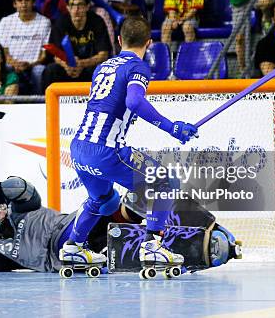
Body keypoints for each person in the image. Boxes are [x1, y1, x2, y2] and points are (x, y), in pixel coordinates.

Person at [59, 16, 198, 269]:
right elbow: (133, 102)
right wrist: (172, 127)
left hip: (79, 149)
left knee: (103, 200)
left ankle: (73, 247)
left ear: (119, 40)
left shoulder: (102, 67)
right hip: (107, 151)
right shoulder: (138, 67)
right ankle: (153, 245)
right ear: (150, 42)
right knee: (167, 181)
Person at [0, 177, 241, 273]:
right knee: (131, 245)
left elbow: (17, 186)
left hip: (75, 232)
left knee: (126, 207)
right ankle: (191, 255)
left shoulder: (25, 207)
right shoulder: (1, 250)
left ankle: (202, 225)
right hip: (66, 262)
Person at [42, 0, 111, 91]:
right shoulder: (60, 23)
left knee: (103, 70)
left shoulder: (97, 22)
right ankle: (47, 103)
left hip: (89, 66)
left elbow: (103, 55)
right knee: (50, 70)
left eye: (80, 5)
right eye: (72, 5)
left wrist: (81, 64)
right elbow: (56, 55)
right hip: (68, 68)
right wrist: (66, 66)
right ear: (67, 8)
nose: (76, 9)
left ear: (87, 7)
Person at [0, 0, 51, 94]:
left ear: (33, 2)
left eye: (27, 0)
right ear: (14, 4)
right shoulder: (6, 22)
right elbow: (3, 51)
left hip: (34, 65)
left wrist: (31, 64)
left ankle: (40, 102)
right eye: (20, 0)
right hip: (12, 65)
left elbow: (44, 54)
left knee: (39, 71)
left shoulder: (44, 22)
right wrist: (15, 63)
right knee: (5, 67)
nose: (24, 4)